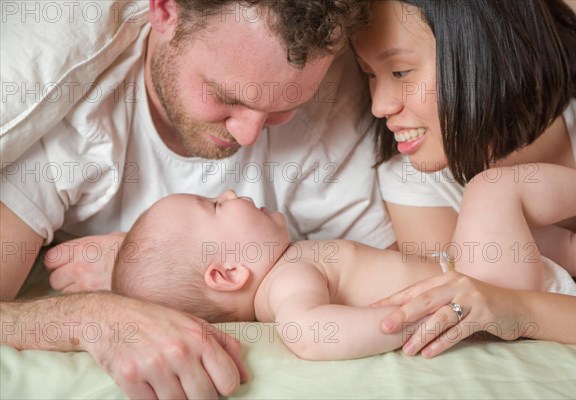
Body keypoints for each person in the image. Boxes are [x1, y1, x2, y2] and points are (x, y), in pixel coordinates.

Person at [1, 1, 396, 398]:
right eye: (227, 97)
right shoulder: (66, 109)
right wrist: (99, 315)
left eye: (284, 109)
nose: (248, 136)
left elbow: (403, 275)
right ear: (165, 12)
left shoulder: (332, 104)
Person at [109, 126, 576, 359]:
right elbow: (310, 334)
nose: (232, 192)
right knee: (491, 190)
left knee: (514, 229)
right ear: (228, 274)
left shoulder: (290, 266)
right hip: (485, 293)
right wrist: (408, 322)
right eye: (216, 206)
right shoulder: (289, 284)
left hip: (491, 279)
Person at [352, 0, 576, 356]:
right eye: (370, 74)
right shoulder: (415, 183)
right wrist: (521, 309)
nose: (379, 105)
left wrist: (523, 308)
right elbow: (481, 320)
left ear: (492, 52)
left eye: (401, 72)